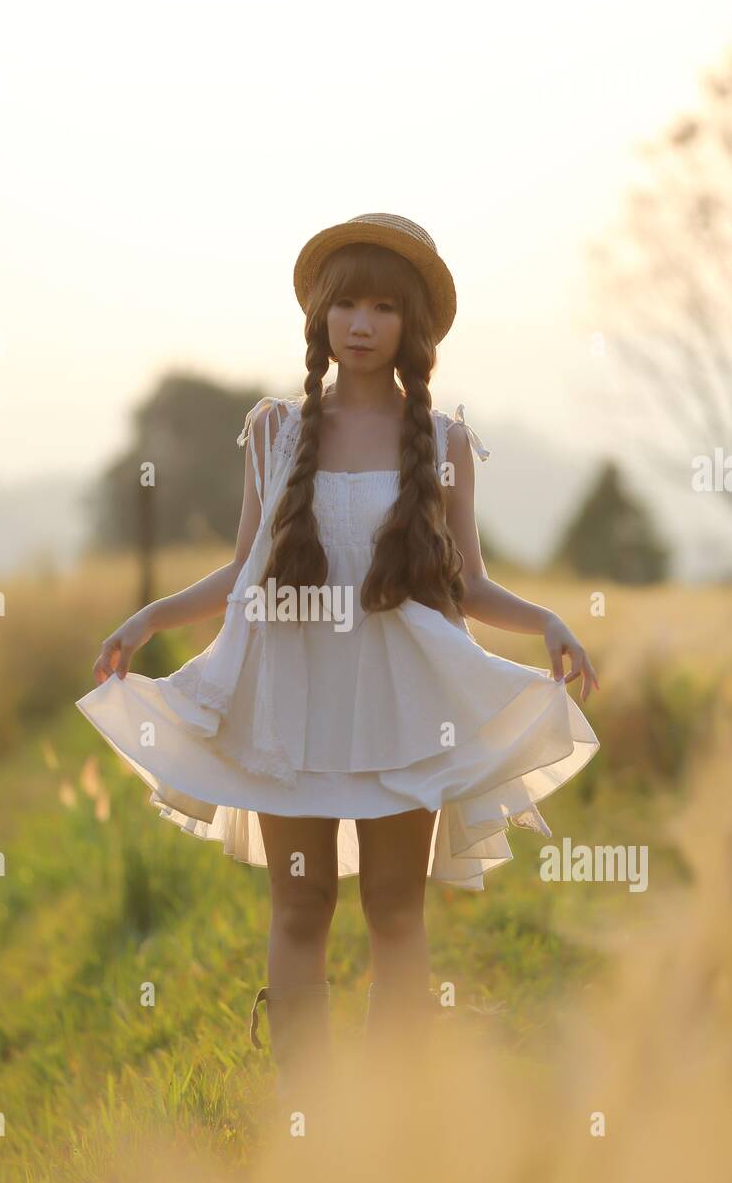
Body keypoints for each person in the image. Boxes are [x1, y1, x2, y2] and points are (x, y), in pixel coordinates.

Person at [75, 212, 600, 1109]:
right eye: (345, 303)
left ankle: (391, 1116)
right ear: (319, 316)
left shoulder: (443, 443)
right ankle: (308, 1114)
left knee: (396, 911)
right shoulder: (276, 431)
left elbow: (465, 584)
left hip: (404, 705)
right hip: (295, 706)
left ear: (413, 327)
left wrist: (546, 619)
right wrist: (153, 616)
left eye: (383, 307)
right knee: (300, 907)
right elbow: (245, 568)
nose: (360, 323)